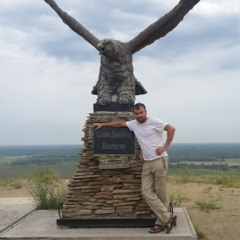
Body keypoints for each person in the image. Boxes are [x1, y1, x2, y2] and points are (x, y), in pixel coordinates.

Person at [93, 103, 177, 234]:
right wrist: (103, 125)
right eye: (136, 114)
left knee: (160, 192)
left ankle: (161, 223)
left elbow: (171, 129)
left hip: (159, 161)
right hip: (147, 163)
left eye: (141, 113)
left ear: (145, 112)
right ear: (134, 114)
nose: (139, 116)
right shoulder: (134, 124)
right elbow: (119, 124)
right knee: (146, 191)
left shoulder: (155, 121)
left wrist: (165, 147)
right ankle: (168, 217)